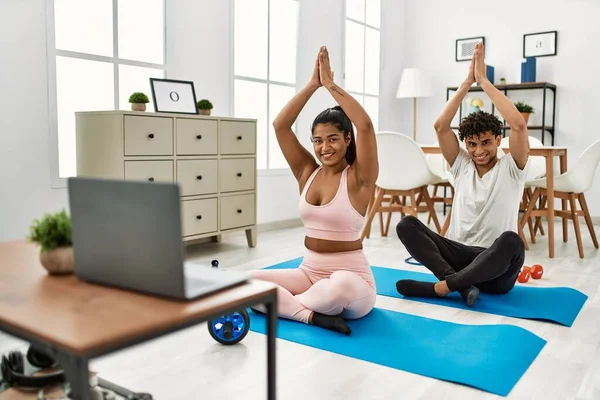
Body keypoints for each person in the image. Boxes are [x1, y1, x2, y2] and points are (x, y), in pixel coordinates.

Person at [251, 46, 379, 335]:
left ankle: (284, 305)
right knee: (248, 281)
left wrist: (331, 86)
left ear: (348, 138)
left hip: (352, 281)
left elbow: (366, 126)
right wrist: (312, 85)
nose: (324, 148)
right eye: (318, 141)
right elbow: (280, 125)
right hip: (307, 273)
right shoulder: (307, 172)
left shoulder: (360, 177)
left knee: (336, 290)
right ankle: (309, 316)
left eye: (333, 139)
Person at [395, 42, 530, 307]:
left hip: (496, 271)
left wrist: (483, 81)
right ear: (466, 145)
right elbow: (440, 125)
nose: (479, 151)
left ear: (498, 140)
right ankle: (458, 284)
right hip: (459, 258)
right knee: (406, 225)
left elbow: (518, 124)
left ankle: (443, 287)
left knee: (512, 242)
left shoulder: (511, 167)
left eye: (486, 143)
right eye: (472, 144)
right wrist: (467, 83)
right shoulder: (462, 165)